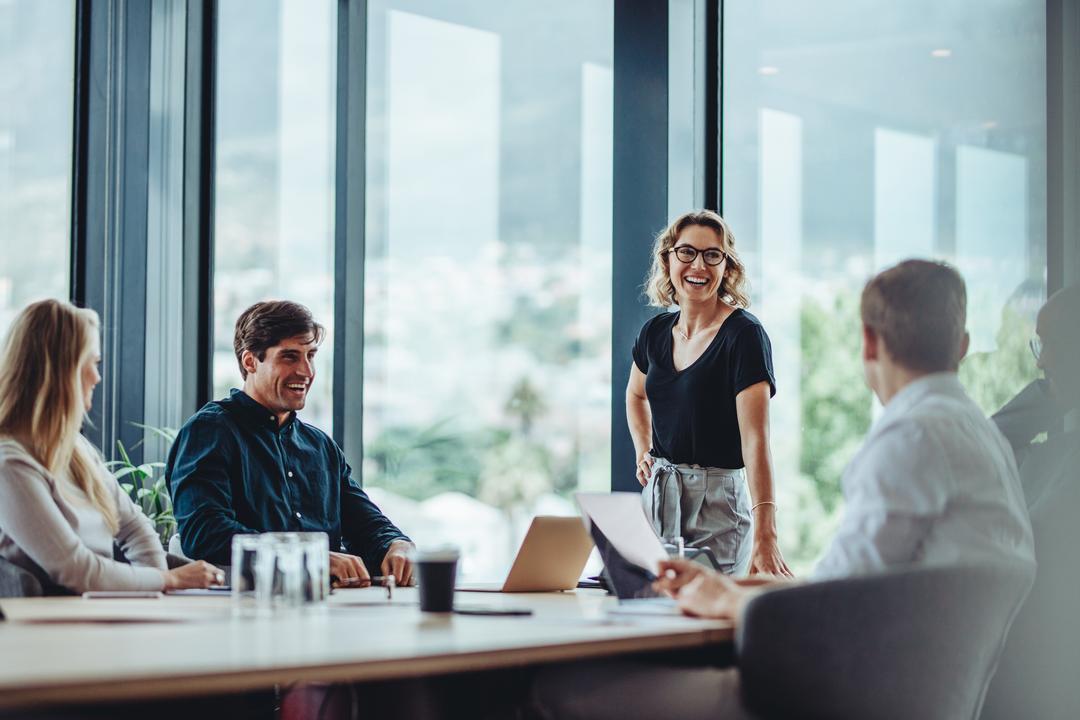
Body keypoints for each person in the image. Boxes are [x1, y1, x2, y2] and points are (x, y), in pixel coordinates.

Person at [529, 259, 1035, 720]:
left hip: (825, 697)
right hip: (911, 695)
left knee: (554, 690)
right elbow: (861, 585)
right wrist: (732, 587)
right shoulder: (981, 437)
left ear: (869, 343)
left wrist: (726, 601)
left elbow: (834, 612)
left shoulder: (911, 438)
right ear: (963, 345)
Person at [167, 300, 414, 586]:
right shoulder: (210, 431)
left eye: (310, 356)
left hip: (328, 608)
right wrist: (310, 556)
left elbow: (364, 523)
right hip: (243, 610)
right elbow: (205, 534)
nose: (306, 371)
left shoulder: (320, 446)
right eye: (289, 357)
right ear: (250, 362)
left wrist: (396, 544)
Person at [0, 299, 223, 593]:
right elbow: (75, 569)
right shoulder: (10, 465)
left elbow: (134, 527)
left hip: (93, 614)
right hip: (48, 627)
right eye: (92, 363)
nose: (97, 376)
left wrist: (155, 588)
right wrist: (167, 579)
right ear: (61, 372)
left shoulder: (75, 450)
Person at [627, 210, 788, 577]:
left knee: (709, 624)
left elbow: (756, 441)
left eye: (712, 255)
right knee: (654, 616)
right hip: (659, 496)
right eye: (687, 252)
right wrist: (642, 450)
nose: (698, 265)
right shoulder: (654, 332)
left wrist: (767, 533)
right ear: (668, 259)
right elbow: (636, 396)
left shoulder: (744, 335)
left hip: (718, 505)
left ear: (726, 266)